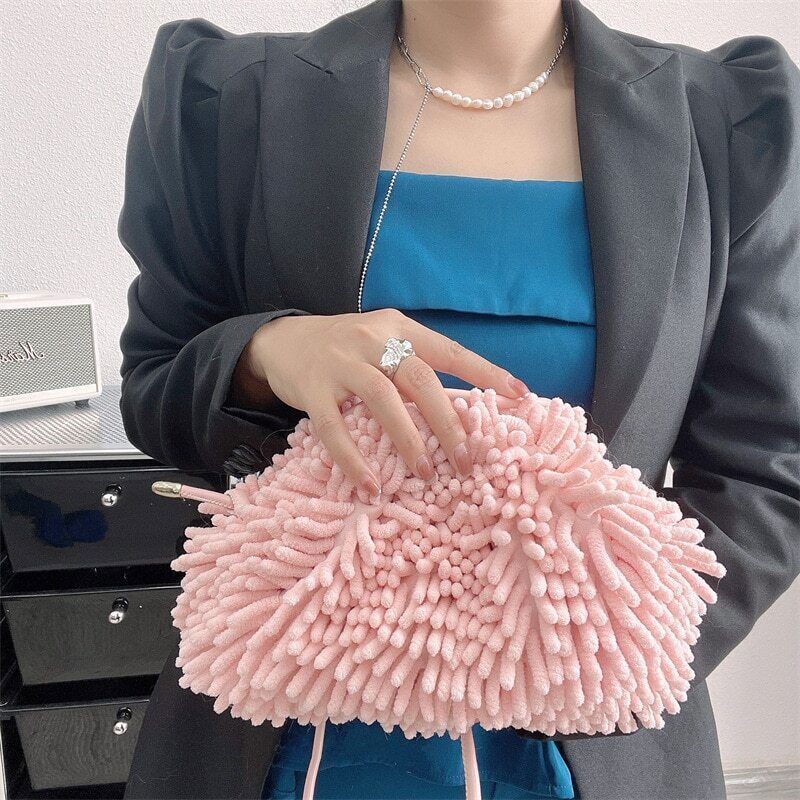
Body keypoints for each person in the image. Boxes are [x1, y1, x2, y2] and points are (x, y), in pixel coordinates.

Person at [117, 1, 800, 799]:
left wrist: (604, 649)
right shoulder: (225, 101)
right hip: (287, 726)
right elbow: (154, 386)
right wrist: (266, 352)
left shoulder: (728, 124)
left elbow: (767, 463)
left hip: (586, 731)